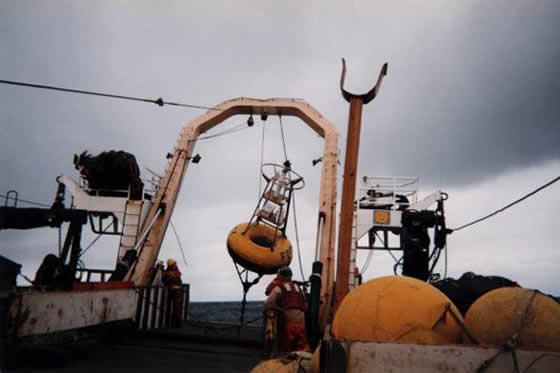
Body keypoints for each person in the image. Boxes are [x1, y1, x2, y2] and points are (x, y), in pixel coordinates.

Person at [264, 266, 310, 354]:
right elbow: (305, 307)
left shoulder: (279, 287)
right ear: (290, 276)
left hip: (288, 326)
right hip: (302, 326)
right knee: (301, 353)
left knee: (284, 354)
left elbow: (268, 303)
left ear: (279, 276)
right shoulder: (299, 289)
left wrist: (279, 309)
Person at [162, 258, 183, 328]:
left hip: (178, 291)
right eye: (174, 264)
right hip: (173, 291)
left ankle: (177, 324)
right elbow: (166, 282)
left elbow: (179, 281)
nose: (175, 265)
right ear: (171, 265)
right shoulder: (167, 273)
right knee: (174, 308)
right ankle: (174, 324)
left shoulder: (176, 272)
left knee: (178, 308)